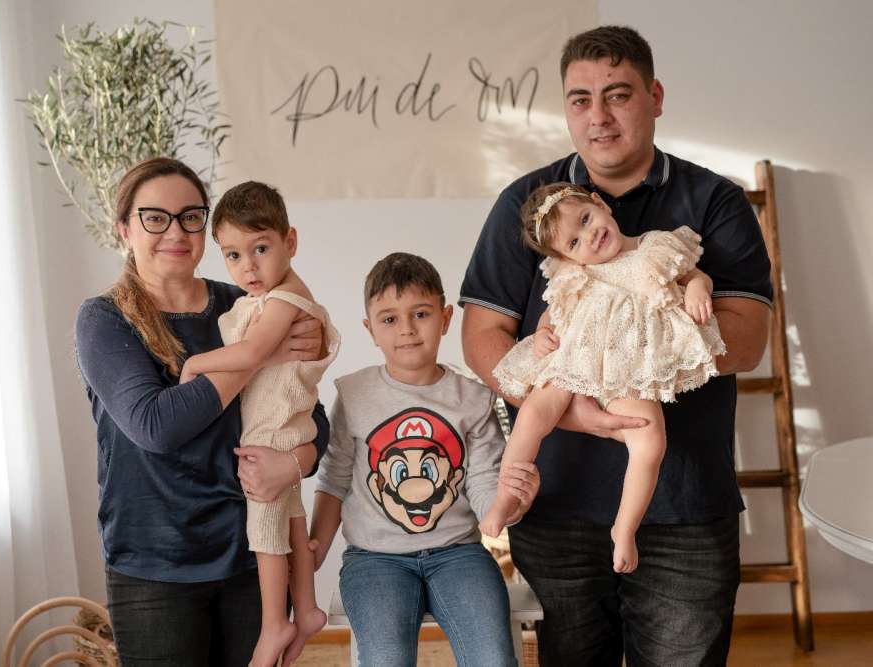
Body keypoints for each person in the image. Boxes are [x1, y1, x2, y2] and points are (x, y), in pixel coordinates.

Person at [460, 26, 772, 665]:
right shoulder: (527, 206)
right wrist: (573, 409)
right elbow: (482, 337)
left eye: (618, 94)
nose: (598, 116)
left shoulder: (713, 202)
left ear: (655, 97)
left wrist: (634, 348)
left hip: (685, 508)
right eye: (581, 99)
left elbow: (747, 340)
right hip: (557, 508)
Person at [75, 158, 328, 666]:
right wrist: (260, 356)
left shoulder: (248, 304)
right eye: (155, 218)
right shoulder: (104, 319)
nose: (175, 231)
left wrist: (293, 463)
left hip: (252, 559)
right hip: (153, 570)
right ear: (124, 229)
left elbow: (308, 415)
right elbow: (156, 426)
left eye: (190, 217)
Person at [478, 182, 726, 577]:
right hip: (573, 357)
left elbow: (696, 275)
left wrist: (697, 288)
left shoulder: (654, 247)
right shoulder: (574, 273)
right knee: (533, 414)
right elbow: (555, 310)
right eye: (574, 242)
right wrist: (542, 332)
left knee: (649, 437)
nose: (589, 236)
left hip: (625, 366)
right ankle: (506, 494)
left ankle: (624, 529)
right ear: (566, 256)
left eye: (586, 219)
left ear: (599, 204)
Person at [308, 253, 540, 667]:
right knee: (386, 659)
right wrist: (315, 552)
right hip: (374, 558)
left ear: (446, 318)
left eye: (421, 314)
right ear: (370, 329)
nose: (407, 329)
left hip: (458, 553)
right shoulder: (355, 394)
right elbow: (334, 479)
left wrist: (511, 502)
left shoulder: (474, 398)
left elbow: (485, 483)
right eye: (389, 319)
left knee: (493, 658)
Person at [179, 181, 340, 667]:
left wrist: (194, 364)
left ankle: (275, 623)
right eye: (233, 255)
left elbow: (251, 353)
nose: (247, 267)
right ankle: (306, 608)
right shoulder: (275, 295)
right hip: (283, 428)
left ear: (290, 242)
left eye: (261, 249)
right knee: (291, 517)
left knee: (266, 534)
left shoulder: (285, 300)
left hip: (268, 434)